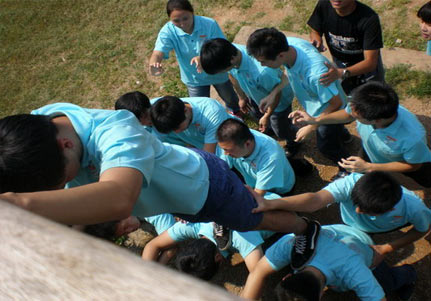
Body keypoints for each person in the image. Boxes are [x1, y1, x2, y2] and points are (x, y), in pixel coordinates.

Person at [0, 103, 320, 269]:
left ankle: (305, 228)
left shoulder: (117, 130)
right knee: (234, 218)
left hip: (207, 187)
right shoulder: (40, 124)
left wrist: (22, 205)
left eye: (63, 179)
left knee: (254, 216)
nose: (65, 186)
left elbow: (119, 198)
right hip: (181, 200)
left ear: (65, 144)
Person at [251, 171, 431, 267]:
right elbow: (315, 200)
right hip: (354, 225)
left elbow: (422, 229)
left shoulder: (415, 209)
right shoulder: (352, 182)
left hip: (380, 229)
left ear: (390, 209)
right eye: (356, 204)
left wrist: (385, 248)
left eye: (367, 211)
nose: (358, 210)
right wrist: (270, 204)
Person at [246, 27, 350, 180]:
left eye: (263, 62)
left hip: (328, 110)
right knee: (334, 134)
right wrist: (273, 93)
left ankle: (347, 167)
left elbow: (336, 103)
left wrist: (312, 124)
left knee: (326, 146)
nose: (262, 66)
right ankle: (344, 136)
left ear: (280, 55)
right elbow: (290, 72)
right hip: (318, 104)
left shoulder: (315, 74)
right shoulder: (290, 46)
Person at [289, 81, 431, 187]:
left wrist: (371, 167)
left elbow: (414, 165)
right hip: (370, 150)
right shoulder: (364, 105)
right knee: (362, 164)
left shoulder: (413, 138)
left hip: (403, 161)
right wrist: (315, 120)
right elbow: (347, 114)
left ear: (376, 120)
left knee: (426, 180)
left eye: (357, 118)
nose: (351, 114)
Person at [242, 224, 416, 301]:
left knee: (387, 282)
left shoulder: (354, 270)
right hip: (336, 235)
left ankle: (409, 274)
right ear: (285, 277)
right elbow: (258, 271)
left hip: (364, 248)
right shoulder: (292, 244)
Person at [200, 38, 299, 157]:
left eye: (222, 71)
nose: (223, 73)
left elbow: (276, 94)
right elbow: (232, 75)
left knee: (280, 127)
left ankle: (293, 140)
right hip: (256, 95)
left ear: (231, 60)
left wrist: (268, 115)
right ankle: (270, 128)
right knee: (257, 114)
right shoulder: (231, 53)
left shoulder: (262, 72)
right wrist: (242, 97)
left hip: (279, 104)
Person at [148, 0, 240, 116]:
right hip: (193, 78)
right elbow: (158, 51)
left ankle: (235, 110)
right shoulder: (168, 31)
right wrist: (154, 62)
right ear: (169, 19)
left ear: (192, 13)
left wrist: (203, 58)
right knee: (200, 107)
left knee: (229, 96)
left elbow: (221, 46)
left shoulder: (209, 24)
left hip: (218, 72)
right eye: (176, 21)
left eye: (185, 18)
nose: (182, 24)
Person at [142, 220, 274, 280]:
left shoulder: (242, 239)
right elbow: (152, 246)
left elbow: (258, 276)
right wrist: (146, 277)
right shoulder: (193, 224)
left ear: (218, 258)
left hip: (282, 212)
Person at [307, 0, 385, 94]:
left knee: (371, 104)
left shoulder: (369, 19)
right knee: (347, 101)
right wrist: (317, 40)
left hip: (366, 73)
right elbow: (315, 30)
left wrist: (342, 73)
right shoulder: (324, 5)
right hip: (339, 65)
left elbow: (370, 62)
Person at [216, 118, 295, 196]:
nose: (225, 153)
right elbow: (222, 166)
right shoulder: (235, 138)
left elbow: (257, 196)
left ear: (247, 144)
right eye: (223, 149)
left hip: (277, 190)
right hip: (254, 179)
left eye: (228, 150)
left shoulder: (270, 159)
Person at [150, 96, 235, 154]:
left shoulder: (212, 114)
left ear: (185, 110)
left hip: (232, 149)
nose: (176, 132)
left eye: (178, 127)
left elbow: (210, 156)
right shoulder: (164, 109)